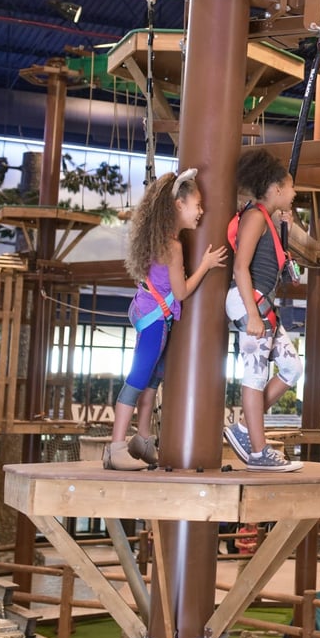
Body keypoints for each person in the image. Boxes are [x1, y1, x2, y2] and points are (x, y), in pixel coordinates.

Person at [104, 169, 226, 470]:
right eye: (197, 204)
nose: (201, 211)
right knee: (137, 380)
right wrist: (206, 265)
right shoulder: (173, 246)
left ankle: (142, 440)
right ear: (178, 205)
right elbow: (182, 292)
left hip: (148, 310)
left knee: (152, 380)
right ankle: (116, 447)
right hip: (155, 318)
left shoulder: (161, 239)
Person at [221, 150, 304, 472]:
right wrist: (253, 316)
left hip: (260, 302)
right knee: (255, 375)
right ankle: (258, 451)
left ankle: (245, 429)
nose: (294, 193)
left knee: (291, 369)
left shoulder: (267, 219)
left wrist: (286, 230)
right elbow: (241, 266)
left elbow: (278, 270)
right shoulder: (254, 217)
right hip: (249, 302)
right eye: (291, 187)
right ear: (277, 189)